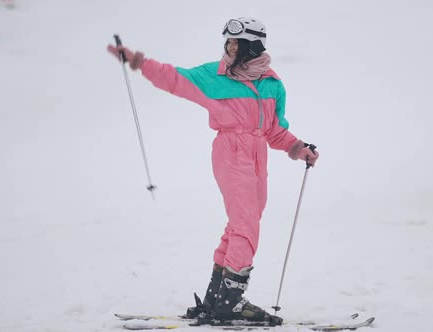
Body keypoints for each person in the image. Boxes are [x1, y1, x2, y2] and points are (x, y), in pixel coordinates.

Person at [107, 17, 319, 324]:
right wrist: (139, 62)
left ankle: (217, 297)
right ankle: (230, 302)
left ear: (252, 46)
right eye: (228, 43)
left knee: (242, 223)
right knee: (246, 225)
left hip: (258, 155)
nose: (230, 49)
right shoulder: (214, 76)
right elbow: (173, 78)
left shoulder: (272, 84)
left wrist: (298, 147)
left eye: (236, 44)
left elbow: (273, 130)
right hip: (231, 153)